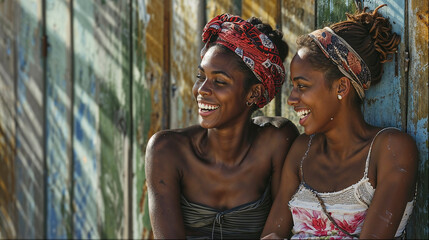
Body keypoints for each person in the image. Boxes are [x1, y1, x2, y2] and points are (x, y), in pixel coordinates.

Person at [261, 4, 417, 239]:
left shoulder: (390, 150)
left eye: (302, 86)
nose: (292, 99)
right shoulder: (302, 150)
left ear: (341, 87)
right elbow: (271, 234)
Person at [145, 13, 299, 239]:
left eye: (219, 81)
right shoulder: (167, 151)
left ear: (253, 92)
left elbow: (278, 232)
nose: (202, 90)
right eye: (201, 76)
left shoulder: (276, 141)